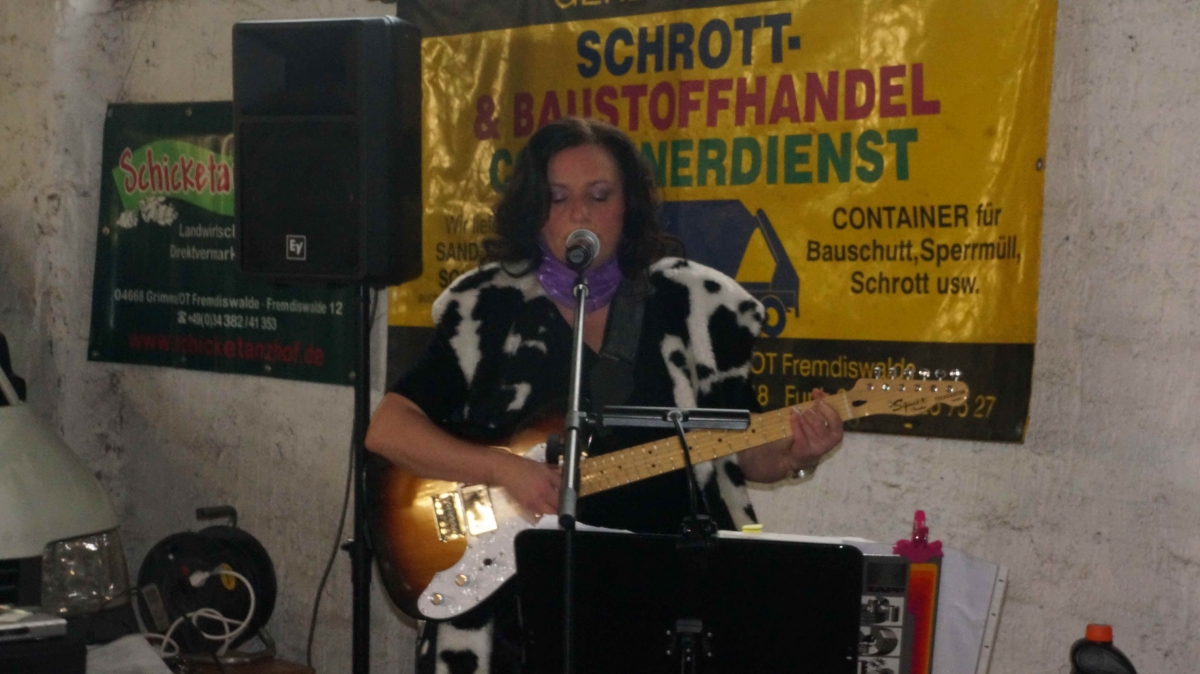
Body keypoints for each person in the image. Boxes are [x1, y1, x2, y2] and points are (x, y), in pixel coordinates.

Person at [365, 117, 843, 673]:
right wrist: (503, 469)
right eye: (558, 197)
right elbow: (388, 429)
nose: (579, 214)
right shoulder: (489, 308)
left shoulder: (692, 308)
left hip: (657, 601)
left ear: (628, 206)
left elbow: (739, 452)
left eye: (599, 195)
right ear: (534, 209)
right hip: (514, 612)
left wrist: (795, 453)